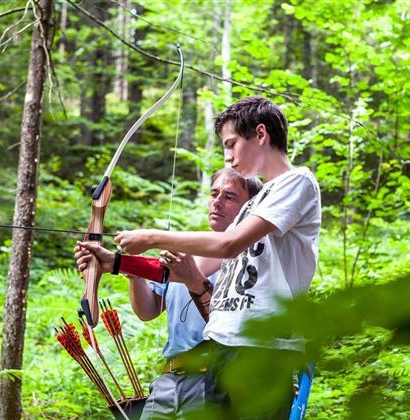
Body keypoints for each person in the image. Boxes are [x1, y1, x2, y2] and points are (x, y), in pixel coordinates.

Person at [108, 96, 322, 418]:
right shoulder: (256, 203)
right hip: (223, 347)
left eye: (231, 144)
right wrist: (114, 262)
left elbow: (228, 245)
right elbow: (185, 270)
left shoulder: (297, 182)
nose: (228, 157)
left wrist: (151, 237)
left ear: (260, 134)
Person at [75, 168, 261, 418]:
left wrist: (127, 258)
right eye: (214, 193)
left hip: (214, 380)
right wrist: (131, 270)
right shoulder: (184, 256)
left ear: (250, 206)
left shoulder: (250, 259)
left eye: (229, 197)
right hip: (168, 379)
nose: (217, 202)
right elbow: (148, 310)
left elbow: (230, 323)